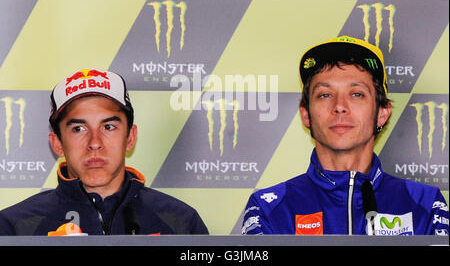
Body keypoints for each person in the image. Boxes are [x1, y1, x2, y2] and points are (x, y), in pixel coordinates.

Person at [241, 36, 449, 235]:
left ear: (382, 113)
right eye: (325, 94)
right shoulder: (269, 208)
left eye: (357, 94)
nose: (339, 106)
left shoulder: (426, 203)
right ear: (306, 114)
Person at [0, 68, 209, 235]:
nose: (94, 143)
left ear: (130, 137)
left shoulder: (181, 222)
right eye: (78, 129)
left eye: (108, 127)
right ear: (57, 143)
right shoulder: (14, 227)